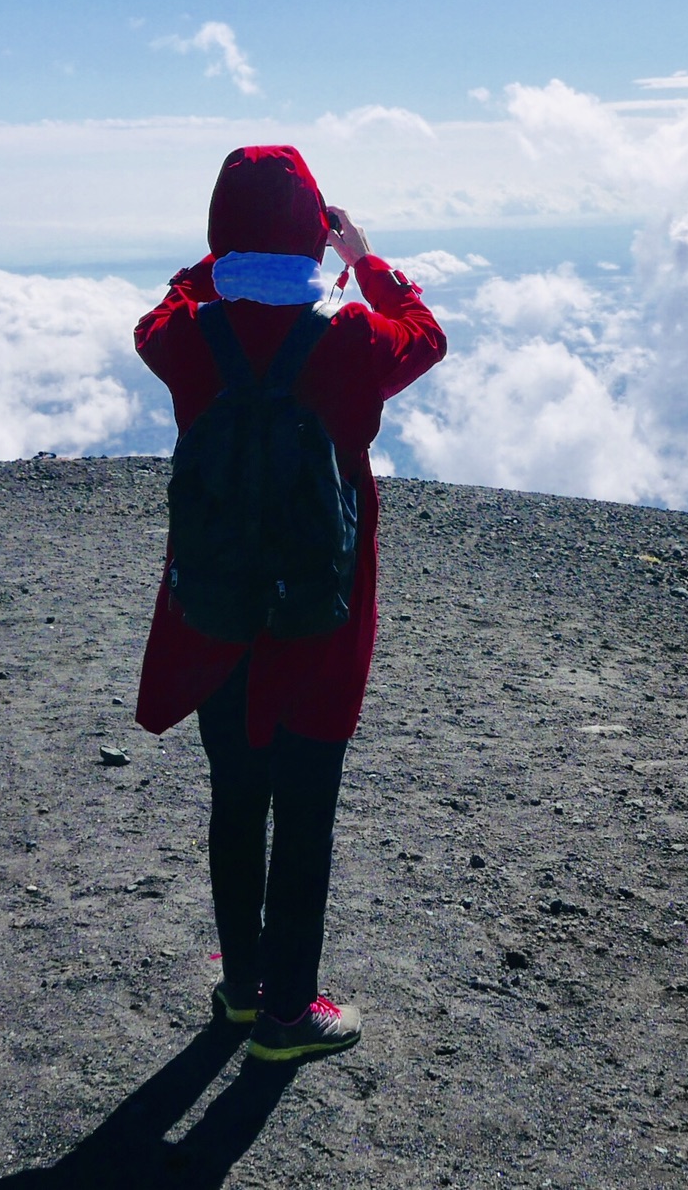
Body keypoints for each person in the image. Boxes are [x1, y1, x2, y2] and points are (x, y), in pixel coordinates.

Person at [133, 145, 446, 1062]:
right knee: (306, 812)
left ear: (221, 235)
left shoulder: (190, 340)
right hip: (321, 616)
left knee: (237, 799)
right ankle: (289, 1013)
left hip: (217, 613)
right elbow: (424, 333)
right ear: (313, 236)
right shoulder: (351, 340)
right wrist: (365, 261)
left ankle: (240, 988)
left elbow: (159, 312)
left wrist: (208, 266)